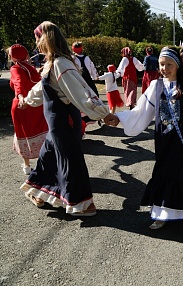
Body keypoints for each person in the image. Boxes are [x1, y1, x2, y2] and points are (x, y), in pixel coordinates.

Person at [111, 47, 183, 229]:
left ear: (177, 65)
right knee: (164, 172)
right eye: (162, 64)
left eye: (169, 64)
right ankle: (162, 213)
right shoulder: (155, 86)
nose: (165, 68)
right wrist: (119, 118)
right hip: (164, 141)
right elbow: (141, 111)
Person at [19, 21, 117, 215]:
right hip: (56, 123)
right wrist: (27, 101)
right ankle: (40, 192)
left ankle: (84, 205)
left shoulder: (60, 64)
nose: (36, 43)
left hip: (63, 122)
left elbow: (82, 92)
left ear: (45, 39)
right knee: (48, 157)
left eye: (38, 38)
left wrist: (103, 114)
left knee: (69, 161)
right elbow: (41, 90)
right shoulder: (54, 63)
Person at [9, 44, 48, 174]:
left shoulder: (15, 68)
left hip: (22, 106)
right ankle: (44, 162)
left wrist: (20, 97)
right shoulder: (30, 68)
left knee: (23, 133)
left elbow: (18, 83)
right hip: (35, 104)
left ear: (12, 57)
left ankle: (26, 165)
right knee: (40, 131)